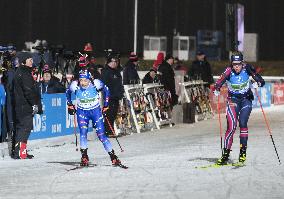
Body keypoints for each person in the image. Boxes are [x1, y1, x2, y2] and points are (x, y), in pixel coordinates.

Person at [212, 51, 265, 165]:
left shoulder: (247, 68)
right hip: (233, 101)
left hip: (246, 100)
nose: (236, 66)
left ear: (242, 63)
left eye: (238, 64)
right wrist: (216, 89)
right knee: (231, 127)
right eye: (234, 64)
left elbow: (261, 81)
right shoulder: (228, 71)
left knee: (242, 123)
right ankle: (225, 155)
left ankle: (242, 153)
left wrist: (258, 84)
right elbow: (218, 83)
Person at [66, 69, 123, 166]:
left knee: (101, 135)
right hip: (82, 112)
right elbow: (67, 93)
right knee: (83, 133)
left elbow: (107, 90)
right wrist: (70, 105)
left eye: (85, 80)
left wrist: (106, 104)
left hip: (95, 112)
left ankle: (113, 157)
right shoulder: (74, 85)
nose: (83, 83)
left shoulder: (96, 83)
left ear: (89, 80)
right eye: (81, 80)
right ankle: (84, 157)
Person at [13, 55, 43, 159]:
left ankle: (21, 151)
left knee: (23, 128)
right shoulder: (24, 73)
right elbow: (28, 90)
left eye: (32, 59)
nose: (31, 61)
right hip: (24, 106)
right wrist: (34, 103)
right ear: (23, 61)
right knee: (25, 128)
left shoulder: (22, 71)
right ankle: (20, 152)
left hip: (22, 105)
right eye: (29, 59)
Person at [101, 54, 124, 138]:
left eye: (116, 62)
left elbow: (119, 83)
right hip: (110, 97)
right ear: (109, 62)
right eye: (112, 62)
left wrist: (121, 92)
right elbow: (103, 84)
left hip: (116, 96)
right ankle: (108, 131)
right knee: (109, 114)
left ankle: (111, 130)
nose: (114, 63)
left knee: (114, 114)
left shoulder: (116, 71)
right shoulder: (106, 71)